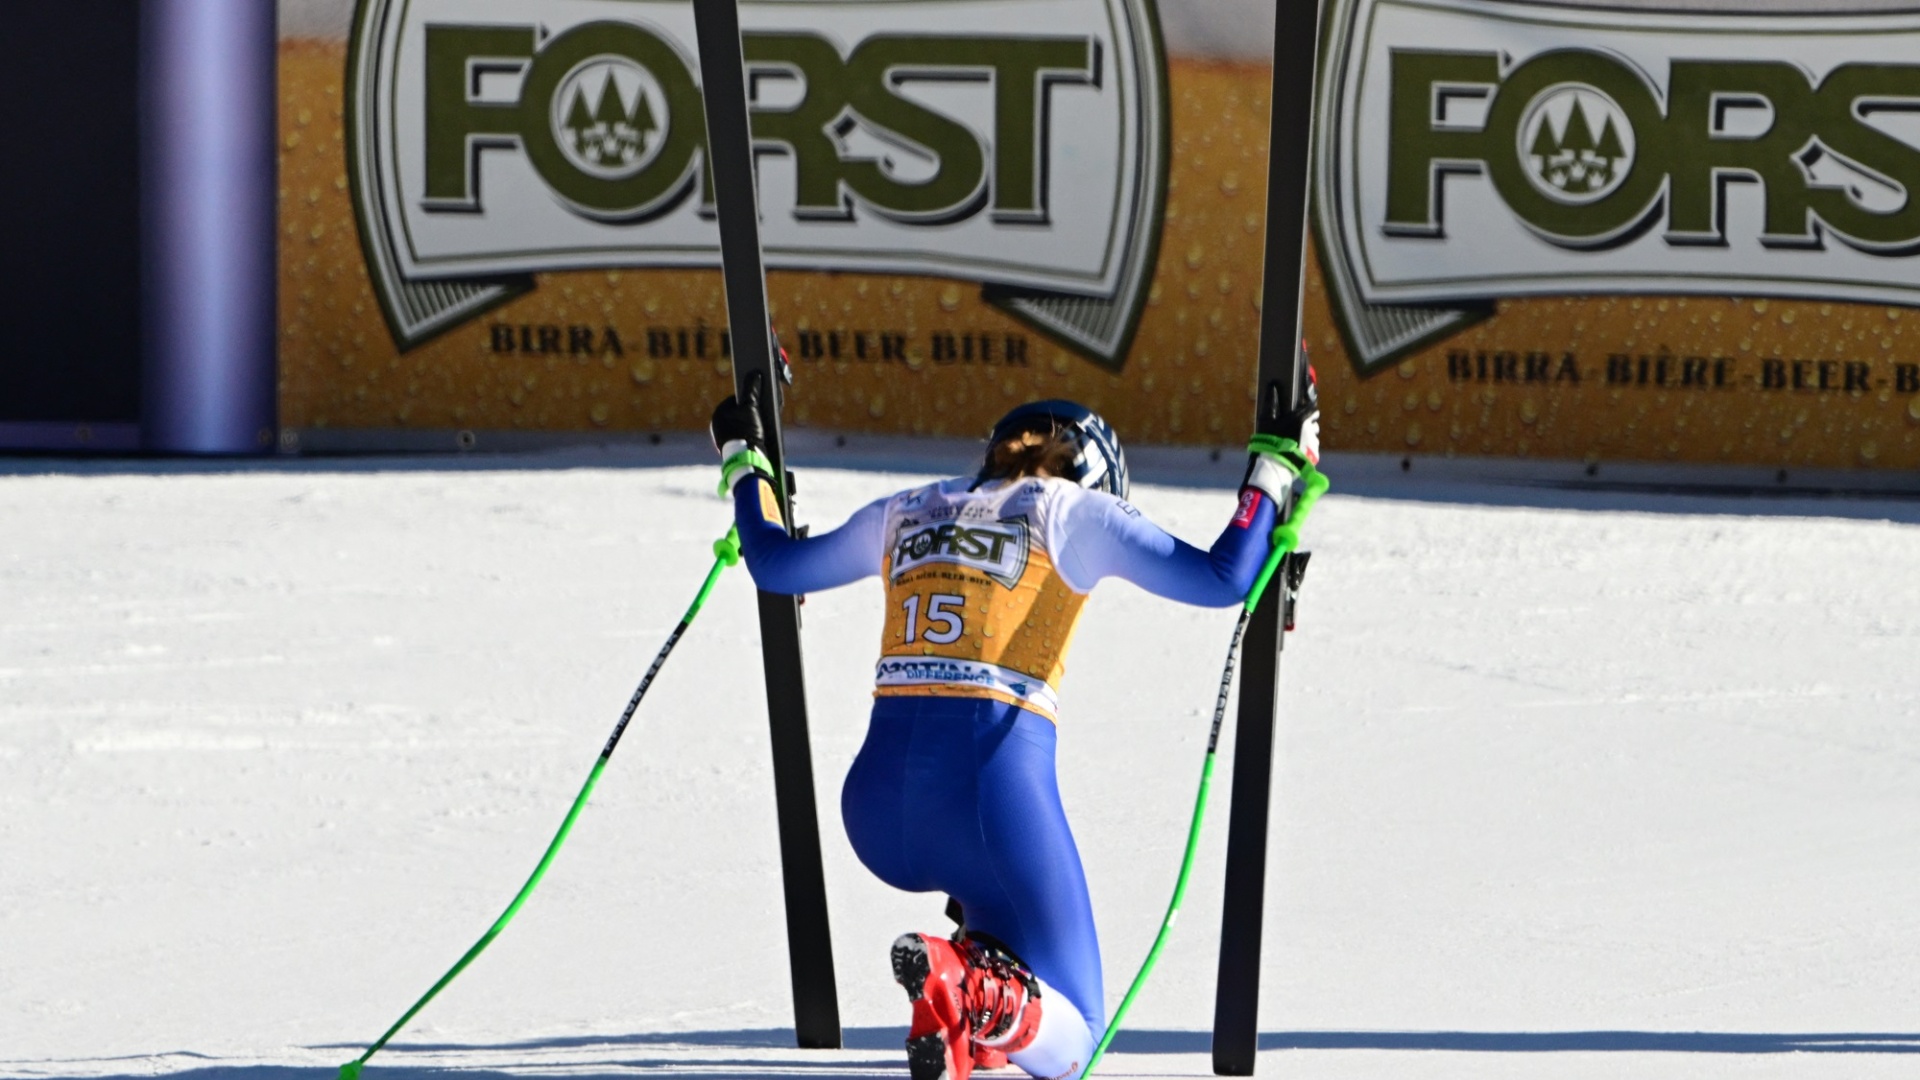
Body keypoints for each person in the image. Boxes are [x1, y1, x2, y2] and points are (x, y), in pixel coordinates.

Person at [708, 371, 1319, 1080]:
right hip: (987, 802)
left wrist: (745, 460)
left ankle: (972, 1006)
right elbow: (1224, 578)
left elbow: (774, 565)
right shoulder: (1075, 510)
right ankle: (980, 993)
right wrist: (1274, 470)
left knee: (1003, 928)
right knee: (1079, 1035)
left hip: (873, 811)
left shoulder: (905, 508)